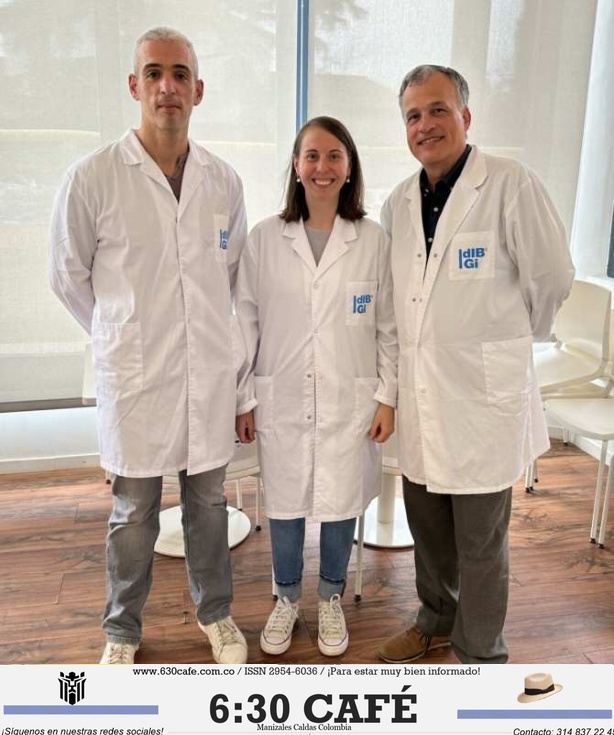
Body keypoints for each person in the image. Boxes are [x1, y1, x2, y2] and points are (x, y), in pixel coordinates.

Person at [49, 27, 249, 665]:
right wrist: (120, 332)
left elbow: (232, 280)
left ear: (198, 90)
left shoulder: (223, 181)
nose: (168, 86)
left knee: (208, 503)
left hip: (206, 375)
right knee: (133, 510)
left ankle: (216, 614)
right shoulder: (94, 178)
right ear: (135, 85)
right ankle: (121, 630)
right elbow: (68, 276)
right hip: (135, 378)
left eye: (180, 74)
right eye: (155, 73)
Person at [378, 65, 575, 665]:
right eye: (413, 115)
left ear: (465, 116)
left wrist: (505, 341)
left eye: (438, 109)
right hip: (421, 394)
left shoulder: (510, 184)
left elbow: (552, 278)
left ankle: (480, 651)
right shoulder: (397, 203)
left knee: (481, 540)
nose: (426, 125)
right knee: (429, 528)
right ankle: (435, 619)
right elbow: (396, 302)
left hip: (483, 401)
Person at [235, 116, 397, 657]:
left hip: (351, 396)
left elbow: (388, 326)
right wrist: (243, 396)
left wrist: (387, 395)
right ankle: (285, 598)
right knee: (283, 501)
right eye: (311, 156)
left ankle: (330, 597)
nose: (322, 167)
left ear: (349, 167)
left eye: (333, 156)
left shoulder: (372, 240)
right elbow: (245, 322)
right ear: (296, 165)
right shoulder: (265, 238)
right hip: (280, 392)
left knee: (340, 497)